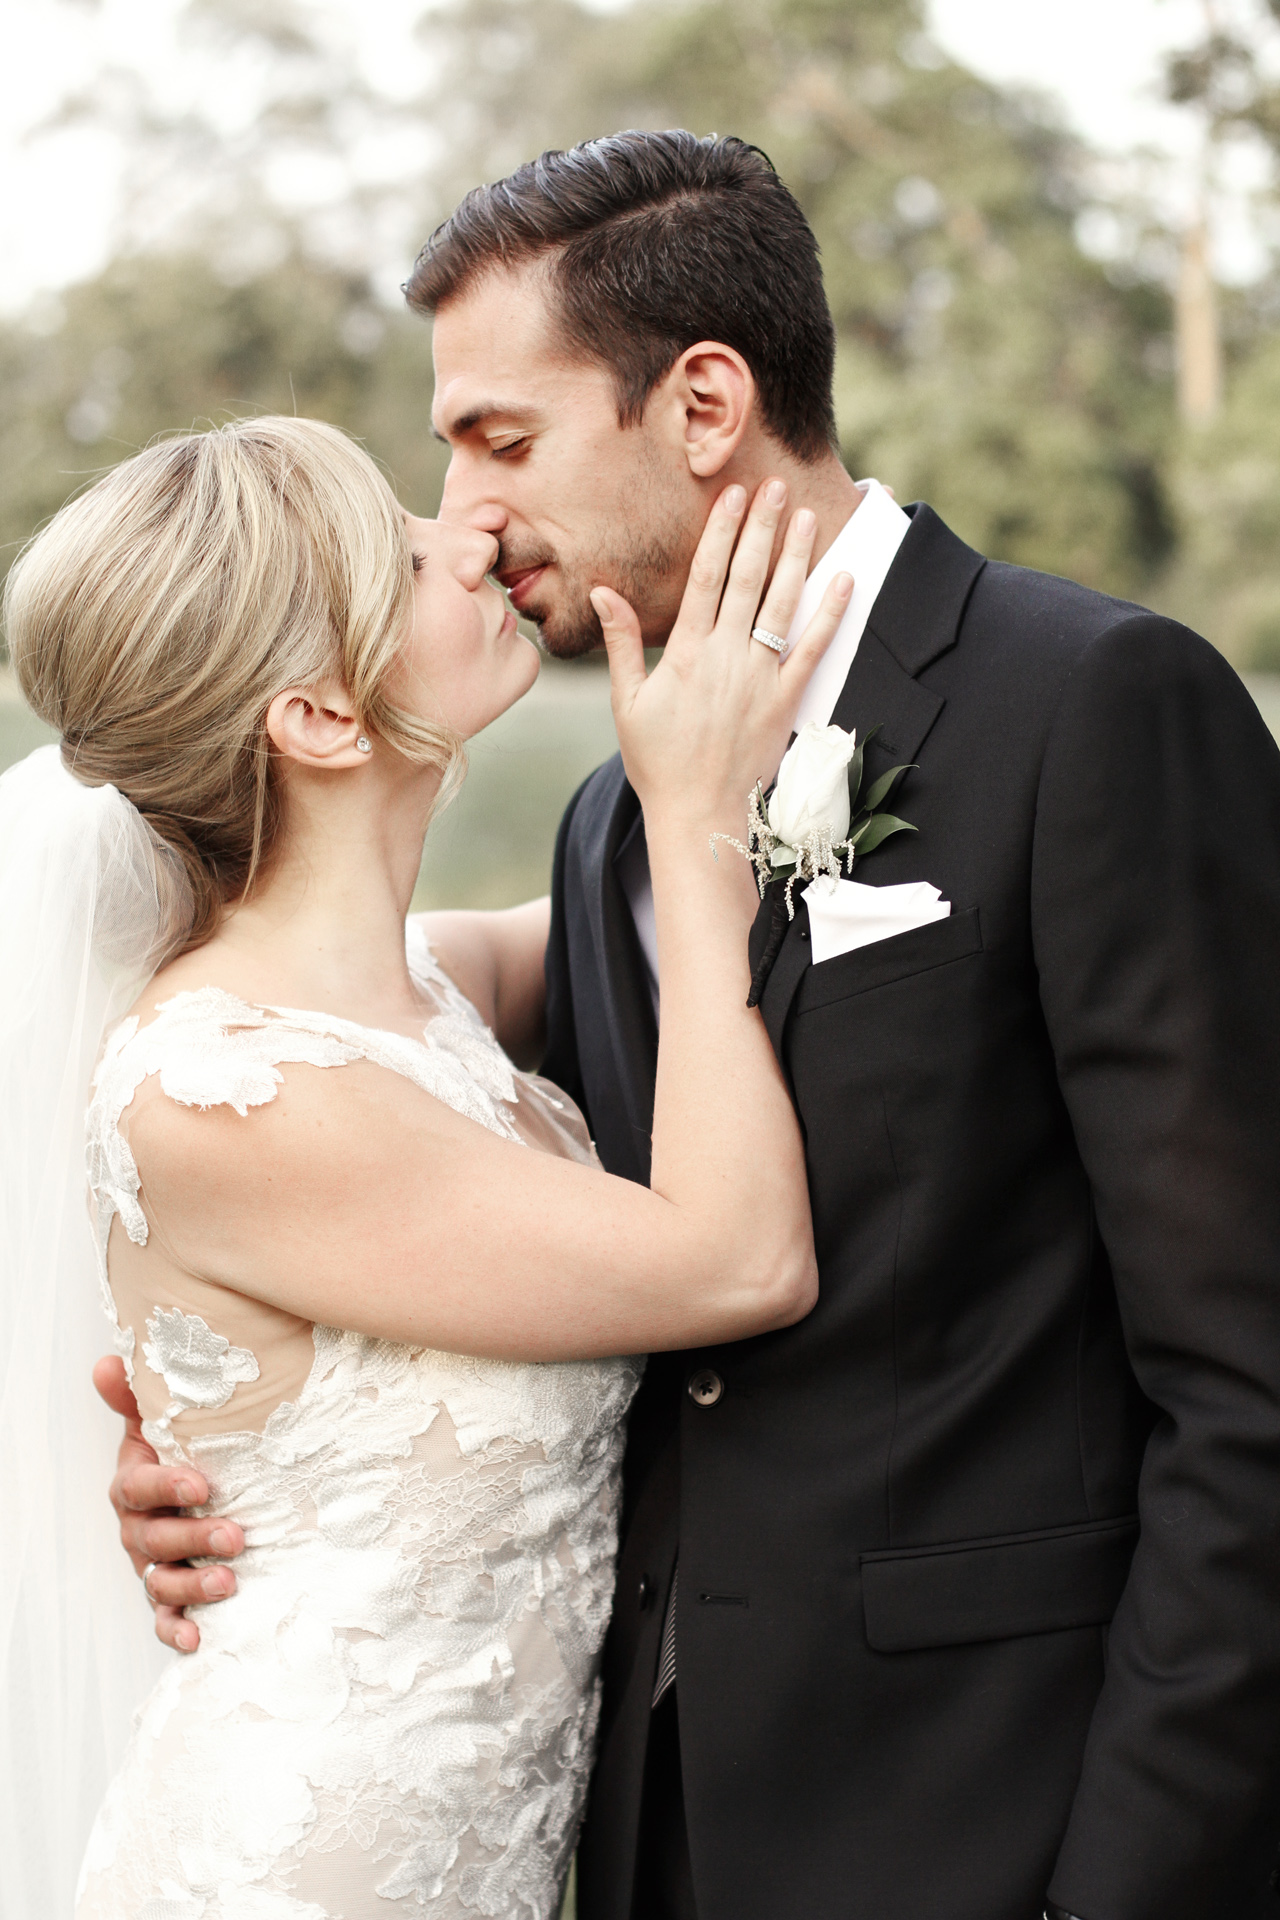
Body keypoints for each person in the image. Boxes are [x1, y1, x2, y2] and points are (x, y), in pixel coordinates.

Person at [110, 132, 1280, 1918]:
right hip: (649, 1835)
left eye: (500, 440)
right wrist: (213, 1425)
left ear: (708, 404)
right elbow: (405, 1152)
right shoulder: (608, 821)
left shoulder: (1094, 706)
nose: (470, 513)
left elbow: (1251, 1381)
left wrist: (1135, 1884)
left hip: (1009, 1816)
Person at [1, 412, 851, 1916]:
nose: (470, 533)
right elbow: (739, 1259)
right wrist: (697, 813)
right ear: (322, 721)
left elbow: (593, 941)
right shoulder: (225, 1094)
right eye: (405, 552)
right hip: (315, 1873)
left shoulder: (422, 984)